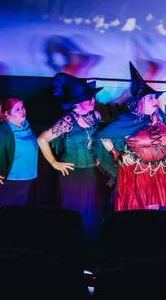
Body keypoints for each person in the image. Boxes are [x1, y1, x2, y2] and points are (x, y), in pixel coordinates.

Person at [95, 64, 166, 211]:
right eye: (150, 99)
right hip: (137, 172)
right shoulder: (129, 119)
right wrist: (117, 153)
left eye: (154, 98)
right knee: (137, 210)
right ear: (140, 101)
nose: (155, 101)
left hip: (159, 171)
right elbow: (103, 136)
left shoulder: (159, 115)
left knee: (155, 210)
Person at [37, 73, 103, 235]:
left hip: (90, 171)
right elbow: (42, 139)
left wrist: (99, 156)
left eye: (93, 98)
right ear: (78, 103)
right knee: (72, 209)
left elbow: (96, 139)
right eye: (89, 100)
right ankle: (70, 242)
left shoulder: (95, 116)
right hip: (72, 172)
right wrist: (54, 163)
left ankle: (88, 244)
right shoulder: (67, 121)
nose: (93, 101)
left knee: (90, 209)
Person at [0, 97, 39, 210]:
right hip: (9, 183)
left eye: (22, 107)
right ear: (7, 114)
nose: (22, 111)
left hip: (28, 181)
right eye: (17, 109)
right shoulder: (0, 132)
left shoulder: (26, 126)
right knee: (4, 219)